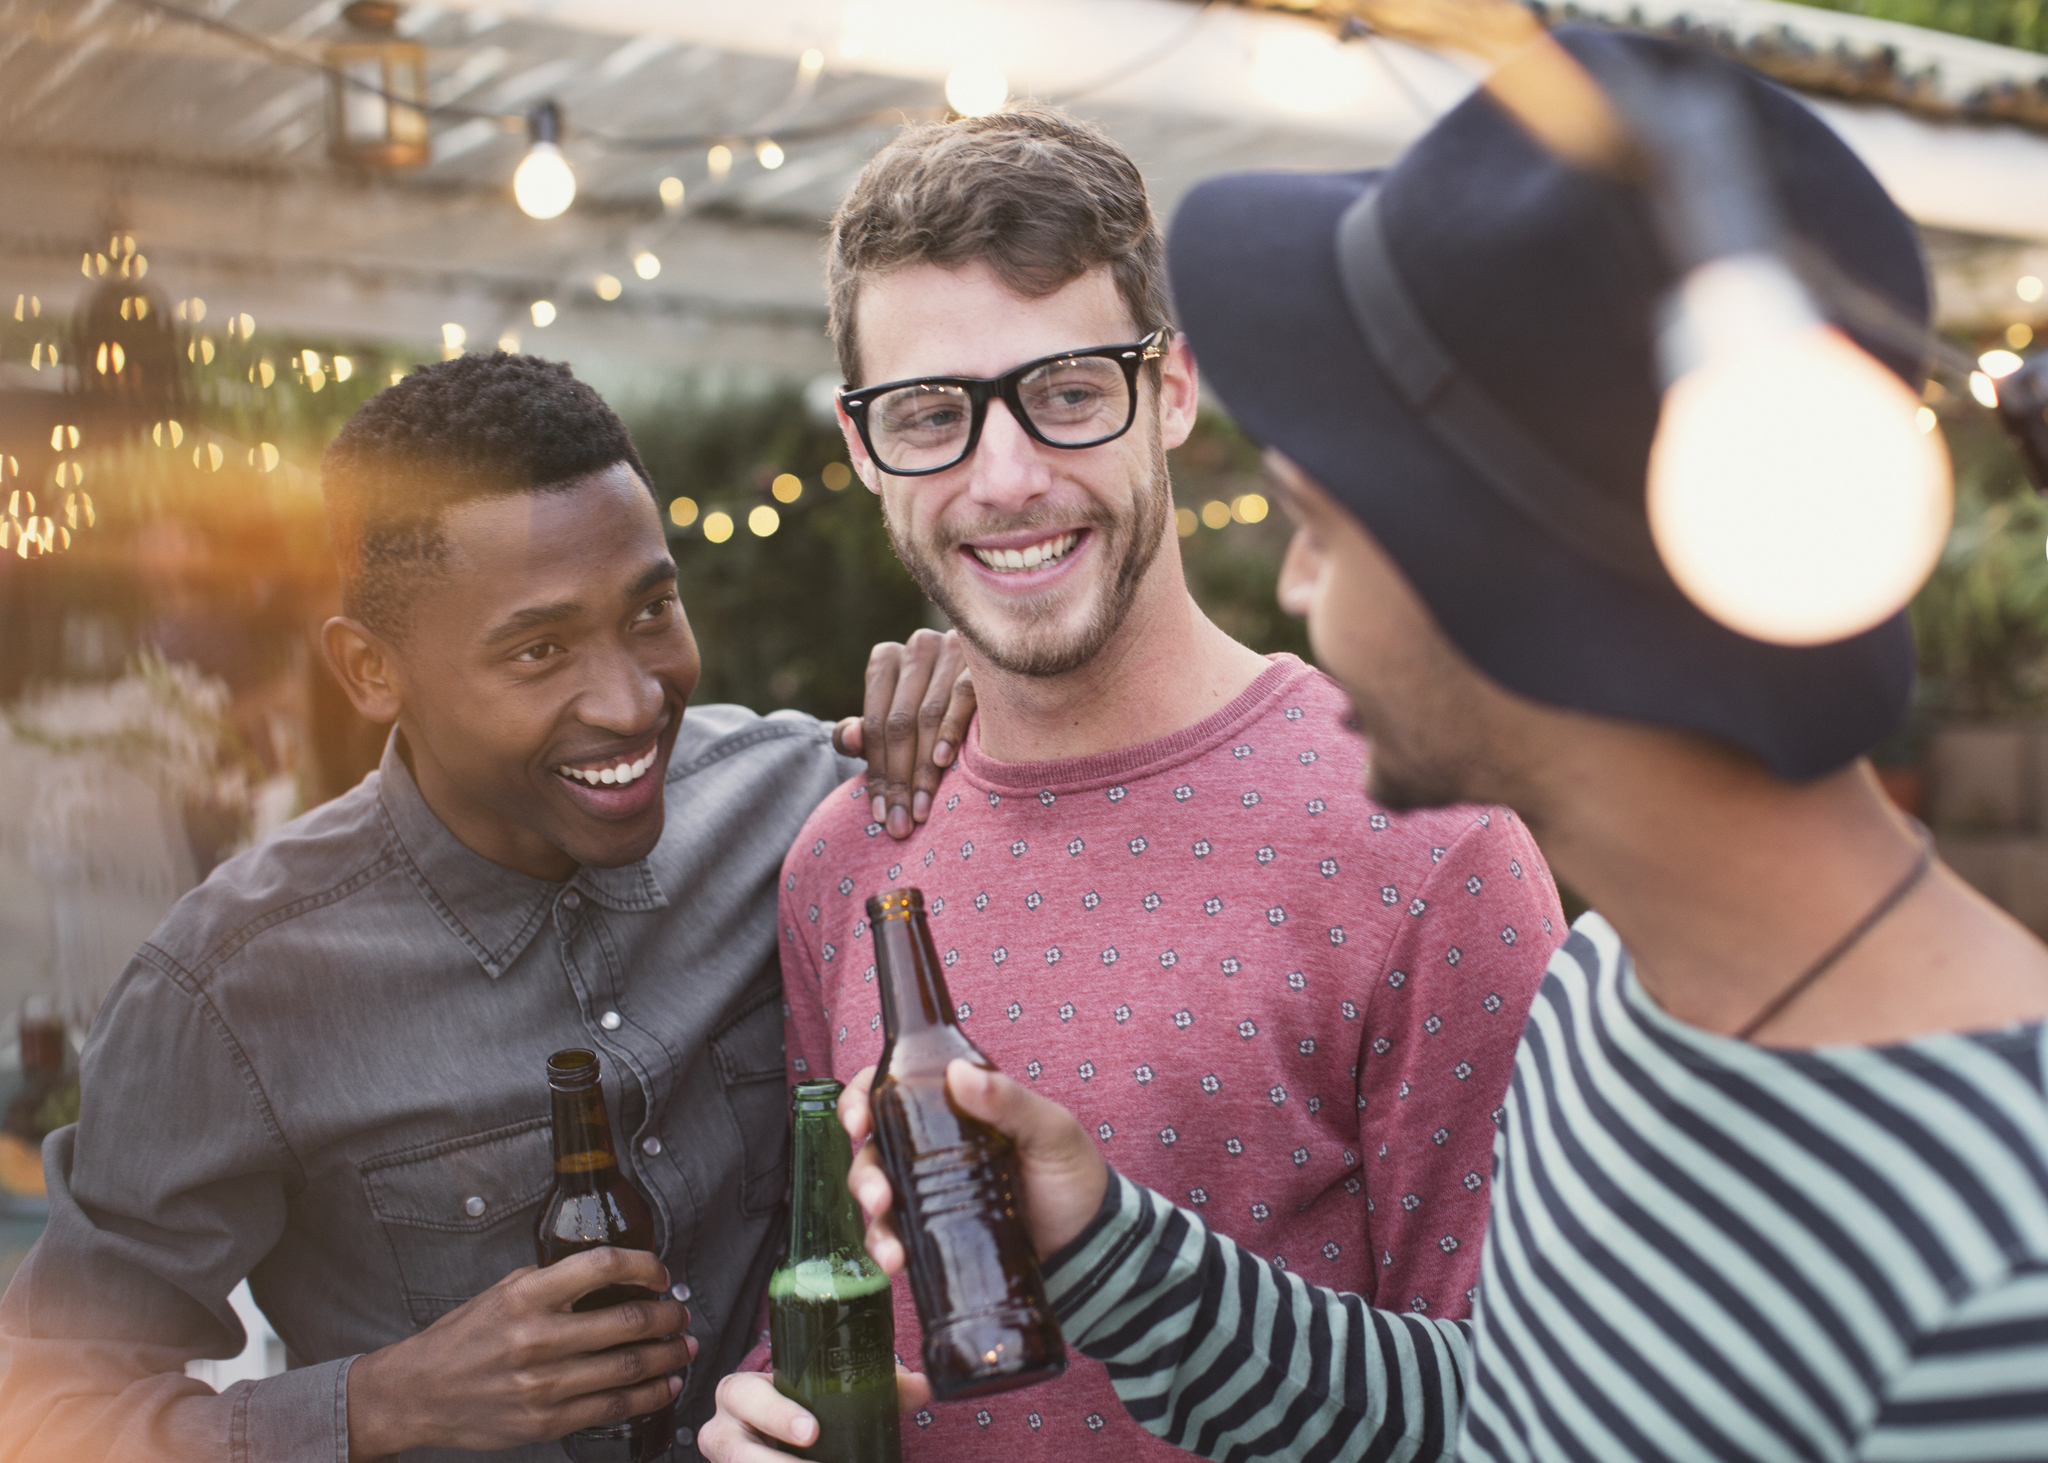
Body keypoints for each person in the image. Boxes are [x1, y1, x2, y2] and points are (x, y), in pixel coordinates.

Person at [833, 28, 2048, 1463]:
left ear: (1516, 569)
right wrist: (1105, 1239)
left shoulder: (2001, 1262)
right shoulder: (1616, 995)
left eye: (1326, 522)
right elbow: (1493, 1419)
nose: (1294, 588)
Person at [698, 106, 1562, 1462]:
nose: (1008, 476)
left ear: (1169, 387)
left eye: (1069, 390)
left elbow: (1530, 1402)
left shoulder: (1436, 833)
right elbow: (857, 1297)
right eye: (932, 413)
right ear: (865, 446)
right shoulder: (843, 855)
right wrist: (771, 1404)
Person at [0, 352, 975, 1463]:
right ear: (371, 671)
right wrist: (378, 1403)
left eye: (652, 608)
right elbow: (44, 1409)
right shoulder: (231, 987)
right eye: (538, 648)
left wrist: (976, 685)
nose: (630, 699)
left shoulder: (799, 806)